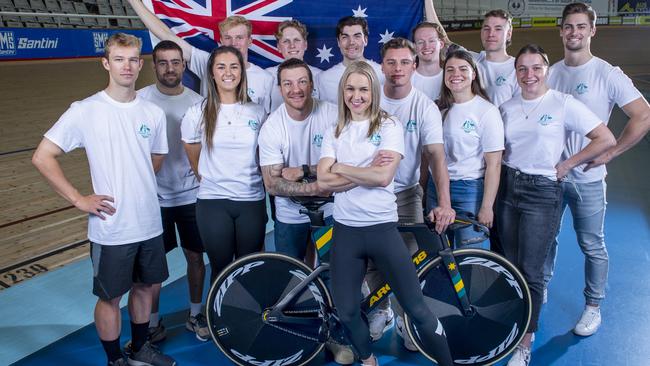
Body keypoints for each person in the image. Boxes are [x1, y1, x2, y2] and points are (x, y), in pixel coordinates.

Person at [31, 33, 176, 366]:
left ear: (141, 65)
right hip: (112, 227)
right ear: (106, 63)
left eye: (133, 59)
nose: (127, 66)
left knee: (145, 288)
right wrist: (79, 199)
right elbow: (43, 156)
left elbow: (155, 158)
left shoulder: (152, 112)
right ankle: (115, 360)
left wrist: (135, 182)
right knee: (110, 298)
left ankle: (140, 348)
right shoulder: (85, 110)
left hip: (149, 221)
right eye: (119, 59)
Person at [316, 60, 454, 366]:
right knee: (349, 310)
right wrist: (364, 168)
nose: (357, 95)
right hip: (346, 231)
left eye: (363, 89)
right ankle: (367, 360)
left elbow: (382, 178)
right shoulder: (334, 131)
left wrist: (339, 167)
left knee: (416, 308)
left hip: (381, 229)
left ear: (373, 92)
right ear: (343, 92)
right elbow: (324, 181)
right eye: (350, 89)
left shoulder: (389, 125)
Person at [497, 44, 615, 366]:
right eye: (522, 68)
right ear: (516, 72)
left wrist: (567, 165)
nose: (529, 74)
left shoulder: (563, 104)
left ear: (546, 70)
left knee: (532, 271)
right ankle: (513, 322)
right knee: (510, 263)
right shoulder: (506, 107)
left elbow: (605, 138)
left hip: (542, 191)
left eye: (536, 68)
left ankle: (524, 343)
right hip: (508, 187)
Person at [543, 2, 650, 335]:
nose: (574, 32)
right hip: (551, 175)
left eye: (581, 26)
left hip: (588, 177)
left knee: (591, 244)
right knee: (546, 239)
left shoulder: (607, 73)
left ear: (592, 30)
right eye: (568, 27)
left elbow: (643, 115)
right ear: (561, 31)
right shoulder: (551, 72)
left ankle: (593, 306)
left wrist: (614, 151)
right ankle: (539, 287)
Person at [257, 58, 354, 365]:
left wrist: (304, 170)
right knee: (293, 278)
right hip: (290, 215)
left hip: (333, 210)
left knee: (335, 274)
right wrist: (318, 185)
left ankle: (335, 336)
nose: (295, 89)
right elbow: (272, 185)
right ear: (279, 87)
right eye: (288, 83)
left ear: (312, 84)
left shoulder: (330, 113)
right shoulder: (272, 127)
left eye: (302, 82)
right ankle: (294, 336)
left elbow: (346, 160)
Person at [365, 37, 454, 350]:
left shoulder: (424, 107)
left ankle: (406, 319)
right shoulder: (369, 100)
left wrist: (444, 203)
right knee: (374, 260)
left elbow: (437, 156)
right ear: (382, 66)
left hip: (405, 194)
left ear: (415, 66)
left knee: (407, 263)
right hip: (367, 194)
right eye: (391, 62)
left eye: (404, 62)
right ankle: (381, 310)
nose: (397, 68)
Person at [137, 40, 208, 342]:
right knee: (154, 267)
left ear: (183, 65)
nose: (169, 68)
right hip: (154, 198)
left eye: (175, 62)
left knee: (195, 256)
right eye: (163, 62)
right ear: (154, 66)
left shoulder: (197, 102)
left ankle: (195, 314)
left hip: (191, 195)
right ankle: (153, 323)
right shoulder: (139, 101)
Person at [180, 46, 267, 285]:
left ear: (241, 71)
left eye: (234, 66)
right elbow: (192, 152)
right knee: (221, 269)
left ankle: (246, 321)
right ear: (212, 73)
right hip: (213, 202)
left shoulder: (257, 111)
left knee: (249, 268)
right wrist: (212, 177)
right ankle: (220, 321)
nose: (228, 72)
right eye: (221, 66)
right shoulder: (196, 112)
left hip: (250, 200)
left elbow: (263, 157)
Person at [126, 0, 274, 111]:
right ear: (221, 41)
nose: (233, 43)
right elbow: (166, 35)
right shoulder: (207, 62)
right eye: (228, 37)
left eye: (239, 38)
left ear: (250, 41)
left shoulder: (265, 79)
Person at [428, 49, 504, 250]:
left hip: (469, 190)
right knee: (437, 253)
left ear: (474, 74)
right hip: (436, 189)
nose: (456, 74)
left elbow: (494, 164)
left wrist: (487, 206)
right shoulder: (437, 109)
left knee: (468, 255)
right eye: (450, 70)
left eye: (463, 69)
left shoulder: (487, 111)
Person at [425, 1, 519, 107]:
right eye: (486, 28)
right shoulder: (469, 59)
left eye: (498, 29)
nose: (491, 34)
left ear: (509, 34)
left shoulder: (518, 68)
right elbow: (441, 38)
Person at [315, 16, 384, 105]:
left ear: (365, 40)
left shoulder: (381, 74)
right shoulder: (324, 79)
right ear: (338, 42)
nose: (351, 42)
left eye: (357, 36)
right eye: (345, 37)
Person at [267, 20, 322, 112]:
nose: (292, 46)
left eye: (297, 40)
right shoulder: (268, 76)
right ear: (279, 47)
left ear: (305, 45)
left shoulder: (320, 76)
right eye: (286, 41)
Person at [411, 21, 449, 101]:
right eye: (420, 42)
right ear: (414, 47)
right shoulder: (406, 80)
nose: (426, 46)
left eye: (431, 41)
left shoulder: (451, 78)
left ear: (441, 44)